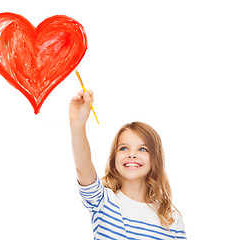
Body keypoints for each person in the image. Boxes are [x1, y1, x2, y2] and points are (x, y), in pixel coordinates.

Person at [69, 89, 187, 240]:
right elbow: (82, 167)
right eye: (123, 148)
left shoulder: (172, 220)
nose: (132, 154)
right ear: (114, 159)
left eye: (142, 149)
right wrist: (77, 124)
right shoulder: (103, 201)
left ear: (155, 159)